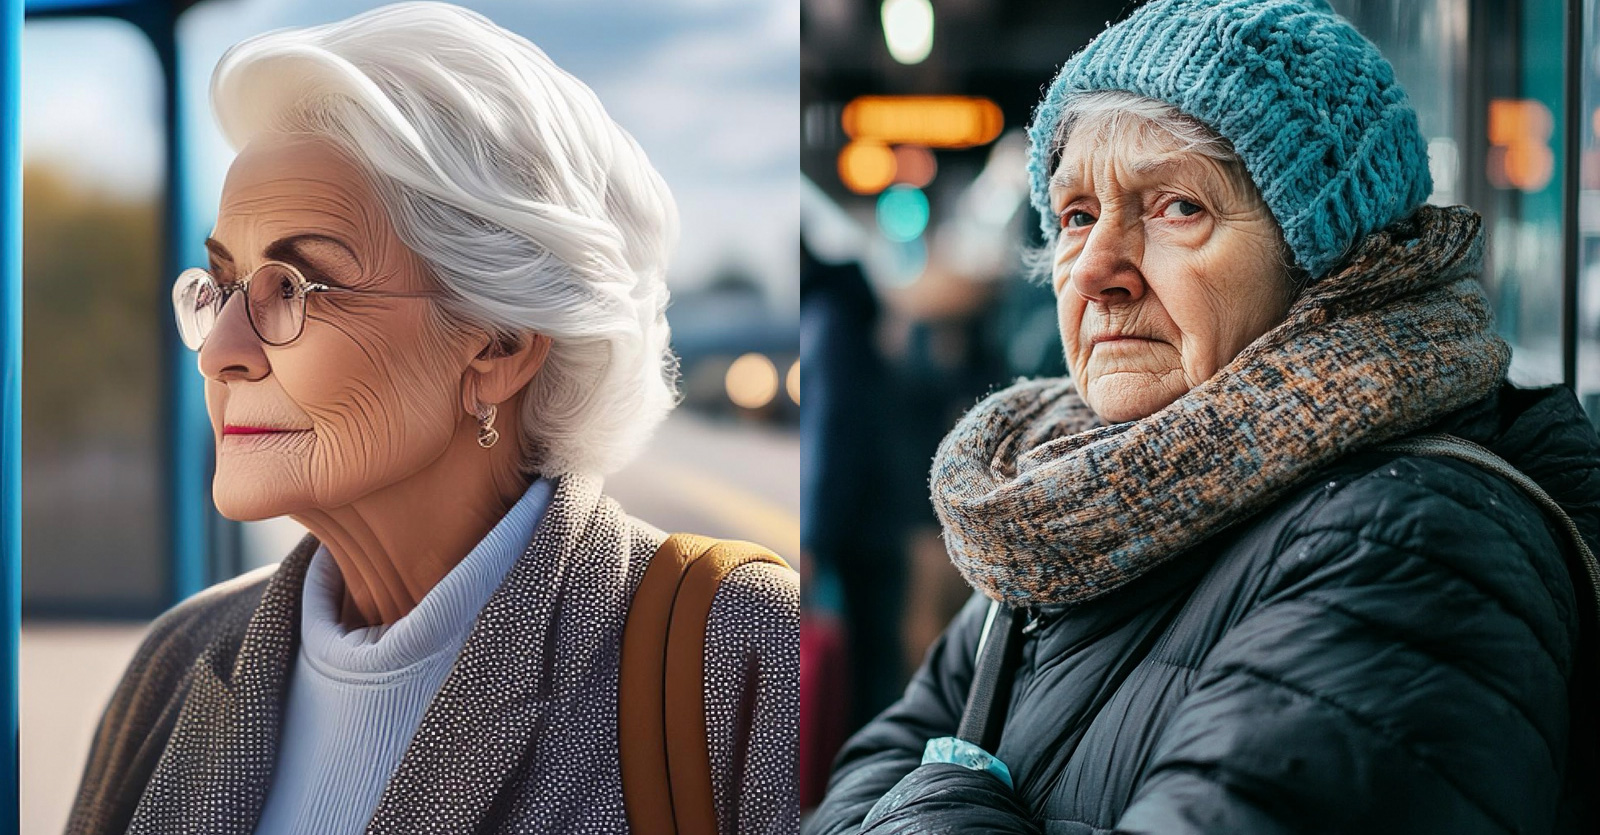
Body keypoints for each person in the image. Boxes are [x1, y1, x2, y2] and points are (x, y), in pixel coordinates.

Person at [808, 1, 1600, 832]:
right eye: (1077, 215)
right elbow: (862, 774)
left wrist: (939, 796)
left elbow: (899, 776)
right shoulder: (1071, 502)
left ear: (1330, 263)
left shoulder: (1411, 542)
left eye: (1177, 207)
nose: (1095, 272)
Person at [65, 4, 798, 833]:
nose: (219, 351)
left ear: (501, 345)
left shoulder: (739, 652)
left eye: (291, 287)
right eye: (221, 287)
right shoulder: (178, 662)